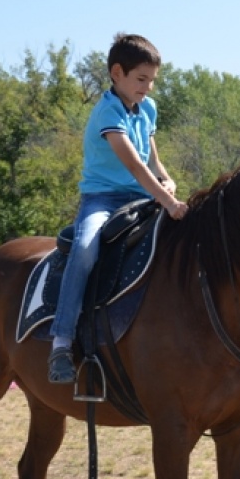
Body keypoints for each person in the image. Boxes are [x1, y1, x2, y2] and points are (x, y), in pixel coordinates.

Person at [48, 33, 189, 384]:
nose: (148, 87)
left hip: (142, 197)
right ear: (117, 73)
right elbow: (133, 165)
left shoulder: (147, 108)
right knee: (84, 250)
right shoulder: (107, 112)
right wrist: (167, 200)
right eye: (141, 79)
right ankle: (61, 342)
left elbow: (150, 157)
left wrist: (167, 177)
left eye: (152, 80)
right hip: (104, 199)